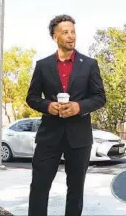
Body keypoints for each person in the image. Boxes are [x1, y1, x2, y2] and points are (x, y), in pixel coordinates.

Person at [26, 14, 106, 216]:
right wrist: (48, 105)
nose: (71, 36)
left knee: (76, 191)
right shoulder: (43, 65)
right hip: (48, 137)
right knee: (39, 188)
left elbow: (99, 97)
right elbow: (32, 97)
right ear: (55, 37)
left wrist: (79, 107)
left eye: (73, 32)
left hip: (79, 137)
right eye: (65, 32)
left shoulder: (89, 64)